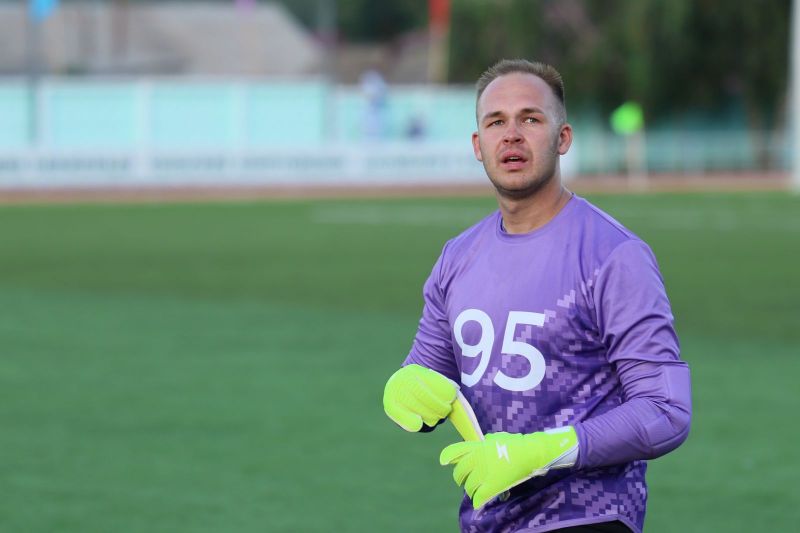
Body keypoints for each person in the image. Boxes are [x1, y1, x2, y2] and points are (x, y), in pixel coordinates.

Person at [382, 59, 692, 533]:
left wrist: (545, 452)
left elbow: (666, 410)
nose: (511, 135)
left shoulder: (614, 256)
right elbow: (426, 376)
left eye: (529, 119)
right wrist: (404, 389)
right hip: (486, 519)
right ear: (478, 146)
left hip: (588, 518)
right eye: (496, 122)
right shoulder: (457, 257)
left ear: (562, 138)